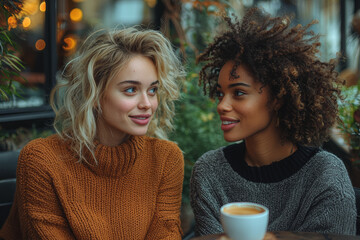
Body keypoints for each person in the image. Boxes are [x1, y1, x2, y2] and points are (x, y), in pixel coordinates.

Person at [0, 27, 186, 239]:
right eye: (131, 90)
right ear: (95, 94)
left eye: (152, 90)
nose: (147, 104)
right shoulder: (42, 160)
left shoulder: (165, 159)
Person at [190, 7, 356, 236]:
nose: (222, 105)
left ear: (278, 98)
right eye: (220, 94)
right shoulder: (210, 172)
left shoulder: (325, 174)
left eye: (238, 93)